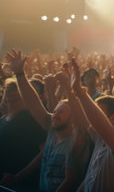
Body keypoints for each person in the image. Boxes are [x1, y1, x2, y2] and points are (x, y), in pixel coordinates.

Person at [5, 49, 81, 192]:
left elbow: (71, 180)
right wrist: (20, 74)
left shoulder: (77, 140)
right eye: (55, 111)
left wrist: (69, 88)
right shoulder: (52, 131)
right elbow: (33, 103)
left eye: (61, 112)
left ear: (73, 119)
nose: (55, 115)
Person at [70, 58, 114, 192]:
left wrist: (79, 92)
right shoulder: (99, 140)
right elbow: (92, 175)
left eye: (98, 113)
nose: (92, 117)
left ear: (112, 118)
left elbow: (101, 124)